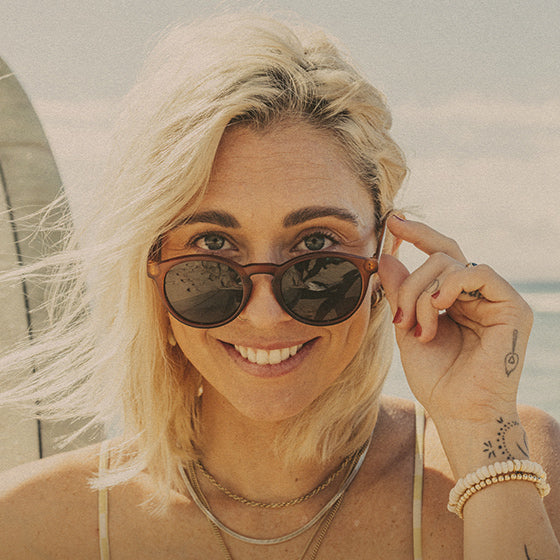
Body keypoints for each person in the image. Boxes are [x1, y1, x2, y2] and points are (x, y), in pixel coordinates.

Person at [0, 12, 559, 560]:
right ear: (151, 267)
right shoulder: (30, 524)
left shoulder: (516, 463)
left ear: (384, 255)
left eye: (316, 248)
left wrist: (481, 425)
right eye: (213, 248)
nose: (265, 316)